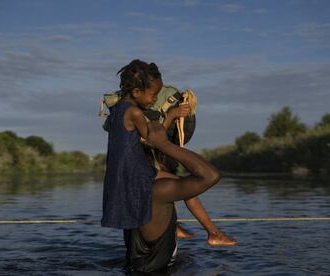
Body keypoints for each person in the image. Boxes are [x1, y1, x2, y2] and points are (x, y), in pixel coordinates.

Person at [101, 59, 236, 245]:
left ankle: (203, 232)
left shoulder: (117, 110)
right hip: (135, 173)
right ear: (136, 92)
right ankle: (212, 234)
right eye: (153, 95)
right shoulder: (135, 113)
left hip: (124, 172)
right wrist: (171, 115)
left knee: (179, 185)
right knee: (185, 186)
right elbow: (154, 141)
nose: (155, 99)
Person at [124, 121, 223, 272]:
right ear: (162, 157)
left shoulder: (131, 188)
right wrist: (165, 145)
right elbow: (211, 175)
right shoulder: (158, 191)